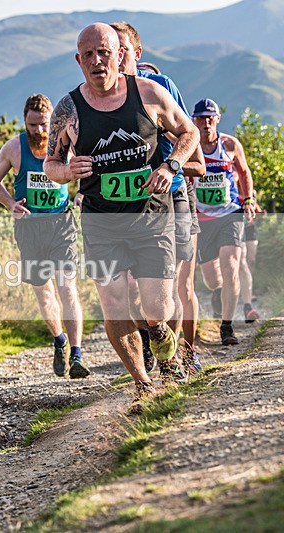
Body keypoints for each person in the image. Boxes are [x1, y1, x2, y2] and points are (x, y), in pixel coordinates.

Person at [44, 24, 199, 412]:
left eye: (104, 52)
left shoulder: (148, 94)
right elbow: (50, 163)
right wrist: (66, 171)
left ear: (119, 55)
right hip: (101, 222)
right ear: (78, 60)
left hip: (151, 217)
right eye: (88, 55)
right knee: (114, 303)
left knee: (156, 308)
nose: (97, 61)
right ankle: (143, 384)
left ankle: (160, 336)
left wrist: (170, 165)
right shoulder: (68, 110)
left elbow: (189, 132)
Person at [111, 21, 206, 377]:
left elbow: (189, 137)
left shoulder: (162, 86)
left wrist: (171, 162)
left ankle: (175, 359)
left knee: (174, 282)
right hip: (130, 201)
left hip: (173, 187)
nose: (116, 56)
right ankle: (154, 338)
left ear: (136, 53)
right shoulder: (101, 95)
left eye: (122, 49)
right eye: (111, 49)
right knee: (134, 285)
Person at [0, 94, 89, 379]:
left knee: (67, 288)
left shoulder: (63, 144)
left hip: (61, 223)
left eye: (44, 124)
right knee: (44, 294)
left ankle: (77, 354)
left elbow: (86, 169)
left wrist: (81, 193)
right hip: (30, 228)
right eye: (33, 125)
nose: (39, 130)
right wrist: (11, 204)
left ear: (52, 121)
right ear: (25, 121)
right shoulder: (14, 148)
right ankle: (59, 339)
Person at [191, 98, 256, 344]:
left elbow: (244, 172)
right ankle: (218, 292)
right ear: (194, 120)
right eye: (201, 118)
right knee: (211, 279)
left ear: (217, 119)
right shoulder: (190, 145)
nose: (206, 123)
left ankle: (227, 326)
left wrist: (247, 199)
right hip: (202, 218)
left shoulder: (229, 144)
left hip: (230, 214)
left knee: (230, 266)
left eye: (210, 118)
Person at [239, 189, 263, 323]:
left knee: (251, 260)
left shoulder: (251, 191)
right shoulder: (230, 187)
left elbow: (256, 207)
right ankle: (238, 289)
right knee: (241, 260)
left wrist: (260, 211)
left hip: (250, 227)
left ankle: (249, 290)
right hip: (236, 227)